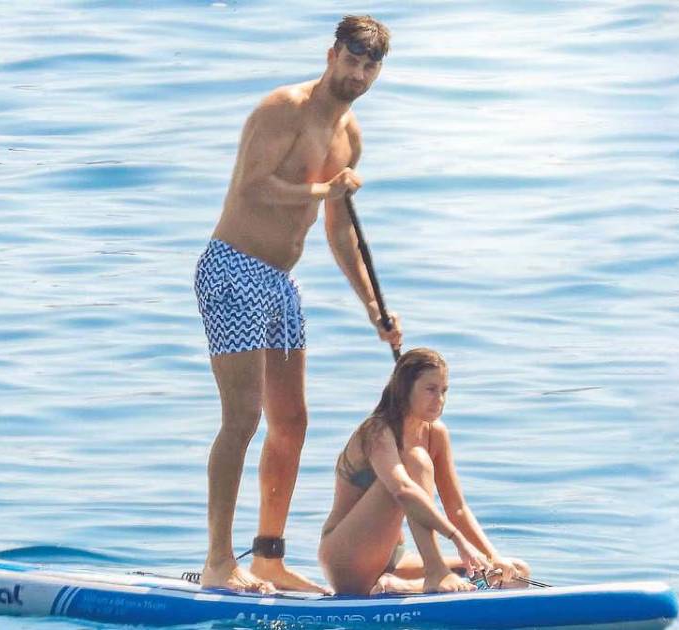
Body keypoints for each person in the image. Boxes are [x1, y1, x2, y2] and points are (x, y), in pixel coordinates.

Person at [193, 15, 402, 593]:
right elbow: (252, 185)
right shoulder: (282, 109)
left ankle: (267, 558)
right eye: (352, 61)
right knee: (242, 419)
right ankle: (218, 564)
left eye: (370, 66)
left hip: (280, 282)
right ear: (331, 54)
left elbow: (339, 228)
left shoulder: (349, 135)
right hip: (232, 268)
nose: (358, 74)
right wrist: (322, 189)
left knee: (291, 422)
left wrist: (371, 306)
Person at [318, 348, 532, 595]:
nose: (439, 399)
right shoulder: (377, 431)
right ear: (404, 388)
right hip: (348, 557)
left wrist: (493, 557)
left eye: (444, 391)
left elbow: (457, 508)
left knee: (515, 574)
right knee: (416, 460)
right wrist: (457, 539)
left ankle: (401, 587)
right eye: (431, 389)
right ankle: (434, 571)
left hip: (394, 559)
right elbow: (403, 491)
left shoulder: (435, 433)